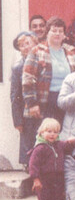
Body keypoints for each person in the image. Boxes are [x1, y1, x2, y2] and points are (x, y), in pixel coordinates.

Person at [23, 17, 75, 124]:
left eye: (60, 31)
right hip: (45, 101)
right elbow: (28, 79)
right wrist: (32, 103)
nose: (57, 34)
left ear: (64, 35)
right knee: (46, 135)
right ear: (47, 33)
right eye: (54, 31)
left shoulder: (72, 52)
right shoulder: (36, 51)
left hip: (66, 100)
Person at [28, 118, 75, 200]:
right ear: (41, 132)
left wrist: (71, 142)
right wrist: (36, 179)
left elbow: (67, 147)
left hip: (57, 180)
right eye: (49, 131)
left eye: (55, 132)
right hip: (44, 180)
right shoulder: (40, 148)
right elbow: (33, 165)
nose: (52, 134)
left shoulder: (59, 145)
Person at [11, 31, 37, 167]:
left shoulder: (42, 61)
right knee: (29, 147)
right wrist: (18, 121)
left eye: (28, 43)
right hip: (26, 115)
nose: (26, 47)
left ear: (34, 43)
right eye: (22, 45)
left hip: (42, 110)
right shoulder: (18, 68)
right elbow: (15, 96)